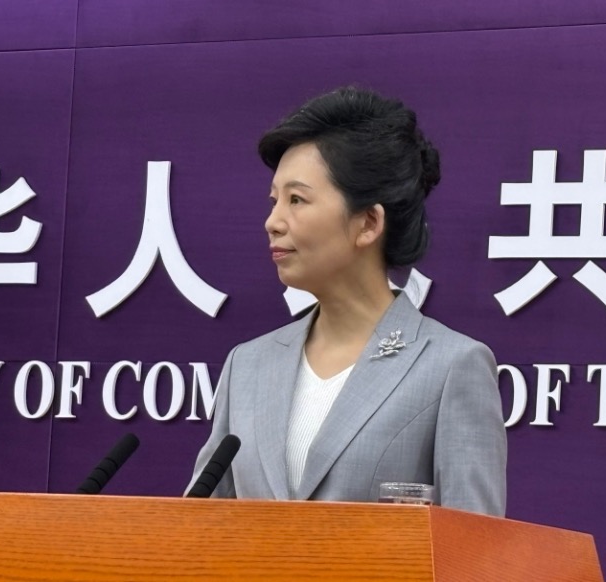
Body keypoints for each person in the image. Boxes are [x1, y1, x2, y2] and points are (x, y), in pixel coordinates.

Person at [187, 87, 506, 516]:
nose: (272, 222)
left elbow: (473, 544)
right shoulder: (247, 365)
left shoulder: (452, 366)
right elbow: (200, 528)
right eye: (274, 200)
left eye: (297, 200)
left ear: (368, 223)